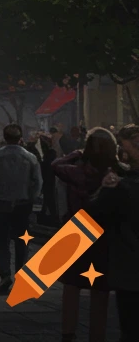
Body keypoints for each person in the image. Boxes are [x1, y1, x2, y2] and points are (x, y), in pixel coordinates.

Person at [53, 127, 118, 342]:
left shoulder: (76, 172)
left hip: (75, 232)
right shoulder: (115, 174)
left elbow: (56, 165)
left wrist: (77, 153)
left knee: (71, 287)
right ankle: (96, 336)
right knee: (100, 291)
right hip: (104, 235)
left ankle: (67, 334)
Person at [91, 124, 138, 340]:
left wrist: (104, 189)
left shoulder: (121, 188)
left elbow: (95, 214)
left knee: (130, 328)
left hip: (131, 270)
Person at [0, 123, 42, 296]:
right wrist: (31, 196)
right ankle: (21, 275)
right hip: (23, 203)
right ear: (20, 138)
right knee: (22, 241)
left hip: (2, 202)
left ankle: (4, 275)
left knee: (2, 242)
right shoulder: (30, 157)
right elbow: (38, 182)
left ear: (4, 137)